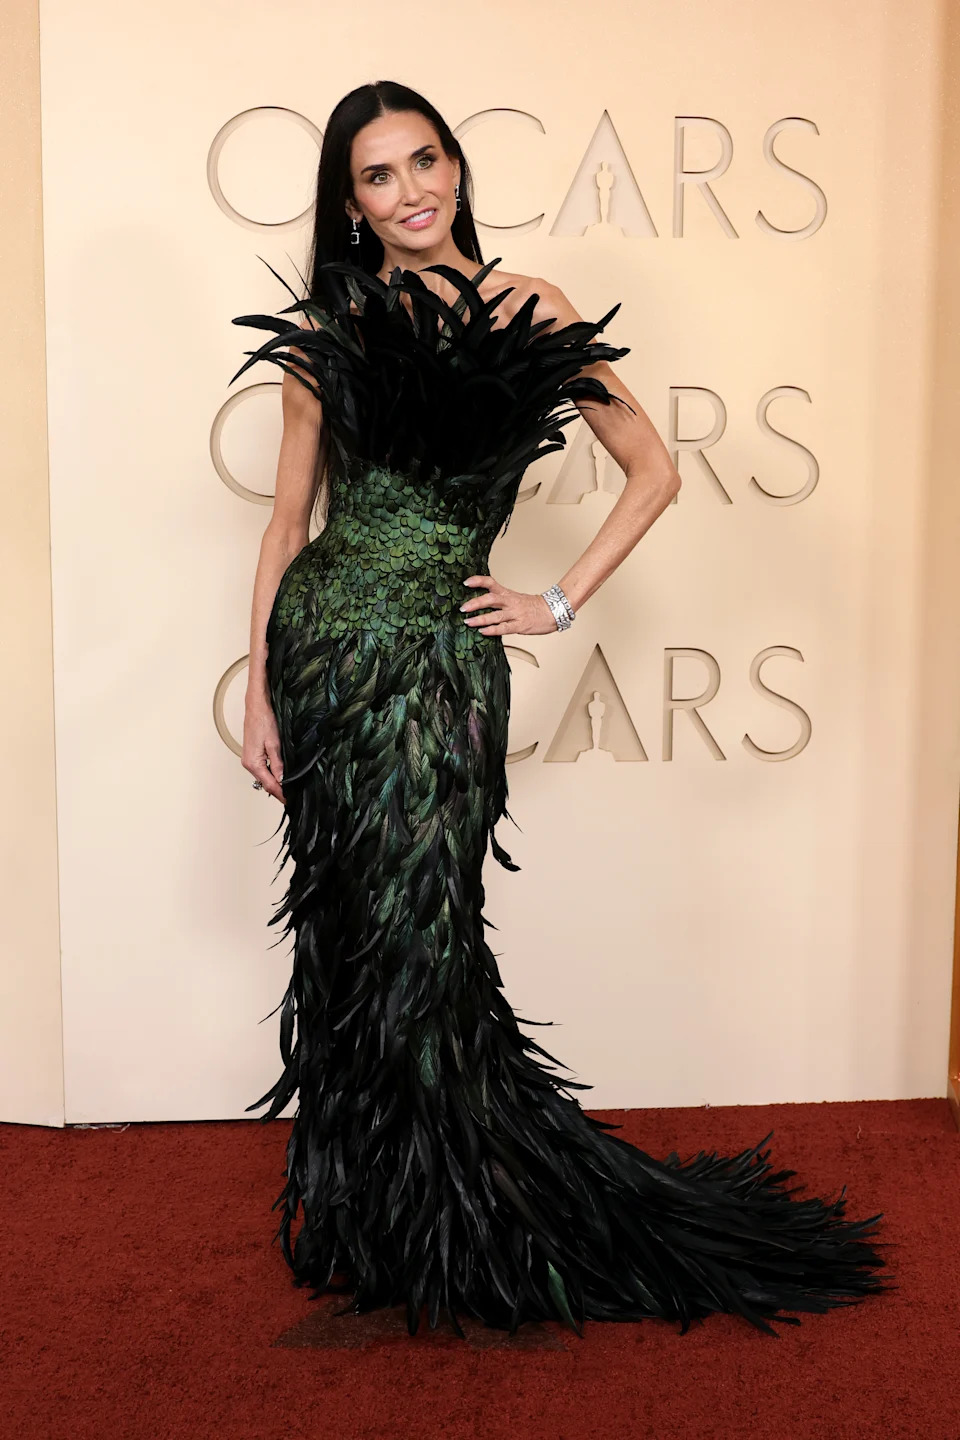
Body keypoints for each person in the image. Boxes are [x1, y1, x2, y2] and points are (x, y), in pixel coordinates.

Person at [230, 80, 894, 1340]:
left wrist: (555, 602)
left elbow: (654, 468)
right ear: (351, 204)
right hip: (326, 655)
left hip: (444, 662)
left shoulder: (532, 310)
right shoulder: (332, 326)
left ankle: (481, 1213)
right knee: (350, 941)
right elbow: (285, 524)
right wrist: (259, 685)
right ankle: (388, 1223)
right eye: (379, 175)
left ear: (457, 169)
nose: (412, 190)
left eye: (427, 160)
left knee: (428, 942)